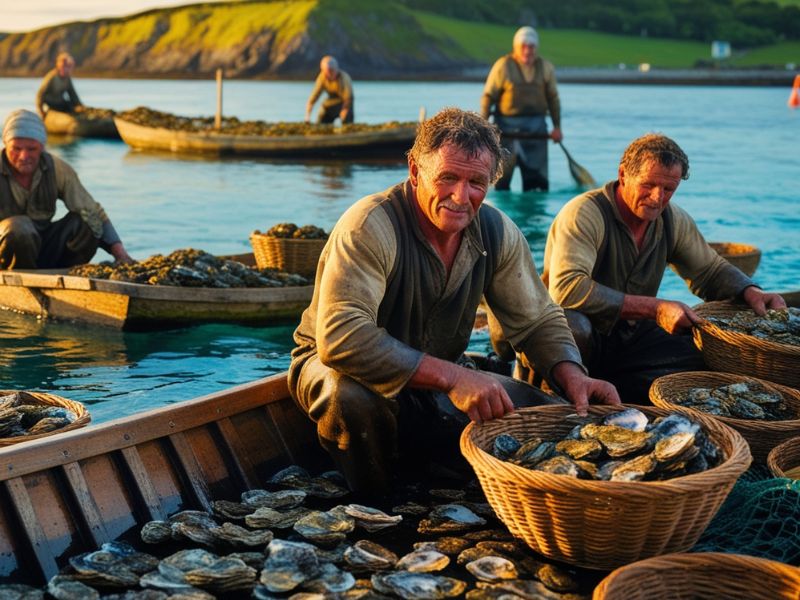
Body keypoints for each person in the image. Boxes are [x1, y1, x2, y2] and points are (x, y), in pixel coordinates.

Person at [288, 107, 620, 496]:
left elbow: (537, 321)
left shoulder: (496, 231)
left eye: (476, 182)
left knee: (557, 420)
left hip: (439, 375)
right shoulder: (370, 225)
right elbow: (341, 338)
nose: (461, 197)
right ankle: (375, 505)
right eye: (447, 178)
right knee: (349, 397)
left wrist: (573, 374)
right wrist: (455, 378)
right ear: (415, 171)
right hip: (338, 370)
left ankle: (429, 465)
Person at [542, 132, 786, 403]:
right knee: (574, 326)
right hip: (572, 341)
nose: (657, 198)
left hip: (631, 336)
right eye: (648, 185)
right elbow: (566, 289)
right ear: (623, 175)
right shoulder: (583, 213)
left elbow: (710, 271)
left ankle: (625, 390)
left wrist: (751, 291)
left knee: (702, 349)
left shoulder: (673, 220)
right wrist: (656, 309)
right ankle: (557, 397)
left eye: (668, 189)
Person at [0, 109, 133, 269]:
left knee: (89, 222)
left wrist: (120, 254)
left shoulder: (57, 169)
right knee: (19, 228)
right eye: (16, 148)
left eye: (31, 149)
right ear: (6, 145)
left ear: (42, 147)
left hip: (44, 249)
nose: (24, 156)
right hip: (5, 256)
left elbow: (92, 212)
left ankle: (64, 274)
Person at [480, 26, 561, 192]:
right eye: (523, 46)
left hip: (536, 132)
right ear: (516, 47)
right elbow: (488, 97)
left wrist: (557, 127)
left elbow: (553, 98)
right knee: (500, 184)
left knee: (536, 187)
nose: (527, 51)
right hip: (505, 131)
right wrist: (482, 127)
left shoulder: (545, 68)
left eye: (531, 47)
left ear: (536, 48)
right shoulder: (503, 66)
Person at [304, 56, 354, 125]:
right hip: (331, 103)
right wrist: (307, 117)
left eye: (331, 71)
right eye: (326, 72)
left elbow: (349, 98)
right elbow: (313, 99)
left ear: (336, 69)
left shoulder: (344, 78)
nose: (329, 74)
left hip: (345, 103)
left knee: (346, 118)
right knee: (322, 112)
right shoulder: (322, 77)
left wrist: (344, 111)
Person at [36, 52, 84, 118]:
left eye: (69, 67)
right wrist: (41, 111)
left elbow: (73, 95)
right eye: (65, 67)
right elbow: (40, 95)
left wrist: (81, 107)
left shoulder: (67, 78)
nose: (68, 70)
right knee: (67, 105)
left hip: (60, 102)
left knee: (70, 104)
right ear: (59, 66)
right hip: (51, 104)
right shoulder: (51, 77)